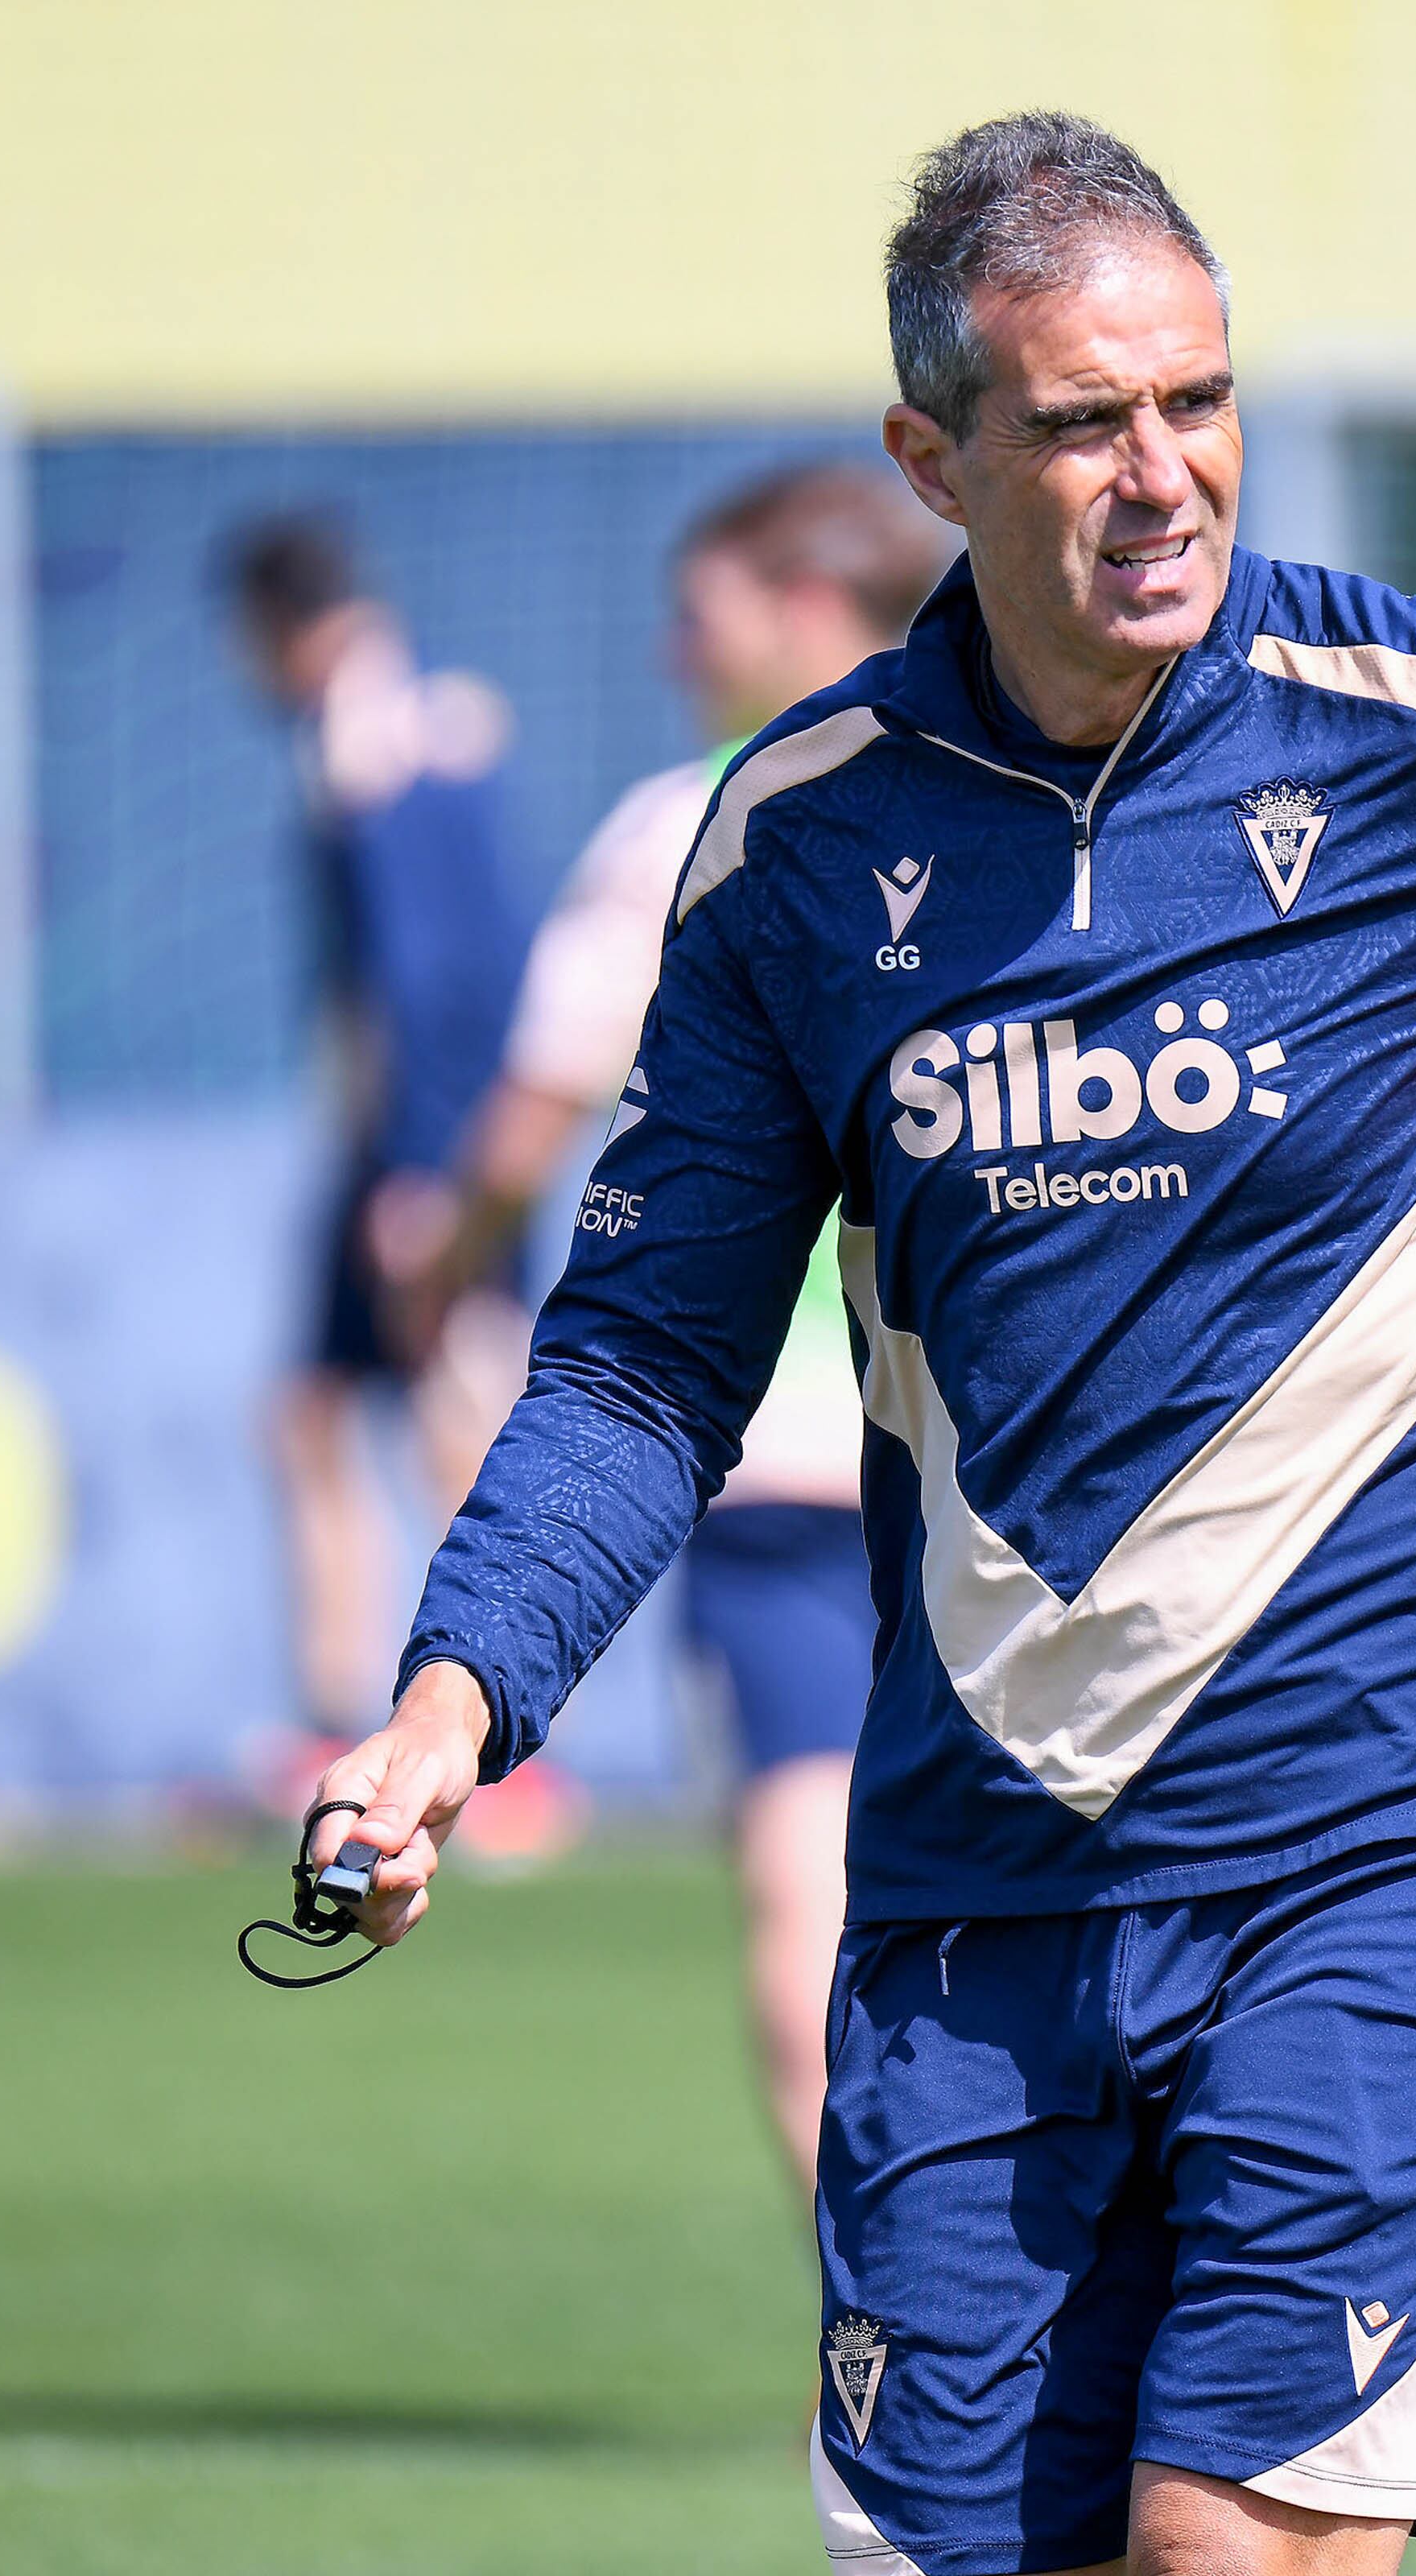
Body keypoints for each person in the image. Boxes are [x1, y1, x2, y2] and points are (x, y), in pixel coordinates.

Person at [311, 114, 1416, 2576]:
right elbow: (641, 1359)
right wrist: (451, 1706)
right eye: (1083, 423)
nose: (1163, 474)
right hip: (976, 1877)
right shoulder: (796, 847)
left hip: (1384, 1826)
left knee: (1226, 2550)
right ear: (931, 459)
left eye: (1201, 401)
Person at [406, 459, 950, 2188]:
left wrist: (438, 1252)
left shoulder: (695, 823)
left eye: (697, 614)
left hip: (785, 1469)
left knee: (812, 1903)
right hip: (1010, 1463)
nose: (669, 651)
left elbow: (535, 1108)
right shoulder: (1036, 794)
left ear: (804, 604)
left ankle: (880, 2314)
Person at [223, 518, 533, 1739]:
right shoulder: (413, 718)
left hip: (427, 1144)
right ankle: (332, 1718)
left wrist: (419, 1169)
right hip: (406, 1139)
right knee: (313, 1415)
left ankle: (492, 1729)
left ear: (279, 628)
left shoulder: (377, 748)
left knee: (458, 1423)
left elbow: (434, 981)